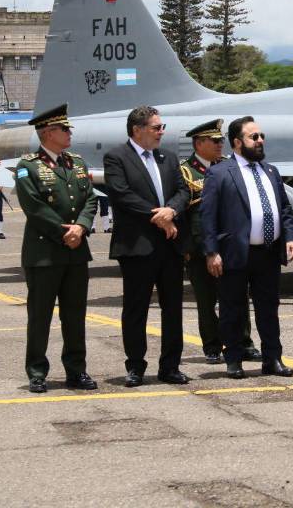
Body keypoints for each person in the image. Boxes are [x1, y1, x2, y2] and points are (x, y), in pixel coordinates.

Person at [201, 116, 293, 379]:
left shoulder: (270, 171)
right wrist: (211, 252)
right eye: (253, 137)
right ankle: (233, 359)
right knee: (232, 309)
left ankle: (273, 359)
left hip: (267, 253)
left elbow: (285, 209)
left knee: (269, 309)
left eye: (261, 136)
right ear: (236, 142)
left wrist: (290, 236)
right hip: (234, 253)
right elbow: (207, 217)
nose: (260, 141)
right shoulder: (220, 173)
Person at [104, 105, 191, 387]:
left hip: (170, 245)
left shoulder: (168, 157)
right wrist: (159, 216)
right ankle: (136, 366)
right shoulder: (117, 156)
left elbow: (183, 191)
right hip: (138, 245)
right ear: (137, 130)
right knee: (136, 308)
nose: (161, 132)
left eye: (161, 127)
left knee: (173, 308)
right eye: (156, 128)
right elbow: (121, 194)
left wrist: (171, 212)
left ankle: (170, 366)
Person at [15, 104, 98, 393]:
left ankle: (77, 370)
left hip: (76, 252)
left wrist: (82, 226)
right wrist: (65, 232)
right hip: (45, 253)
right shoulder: (28, 166)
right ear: (49, 133)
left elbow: (90, 199)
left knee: (75, 316)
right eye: (64, 129)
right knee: (40, 316)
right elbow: (34, 207)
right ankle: (37, 371)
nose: (69, 133)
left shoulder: (76, 162)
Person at [180, 119, 261, 364]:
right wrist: (186, 249)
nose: (219, 144)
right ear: (199, 143)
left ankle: (243, 342)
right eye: (214, 141)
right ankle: (213, 346)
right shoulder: (185, 172)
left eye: (221, 140)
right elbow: (183, 214)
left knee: (238, 297)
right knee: (206, 300)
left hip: (229, 245)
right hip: (198, 247)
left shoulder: (229, 165)